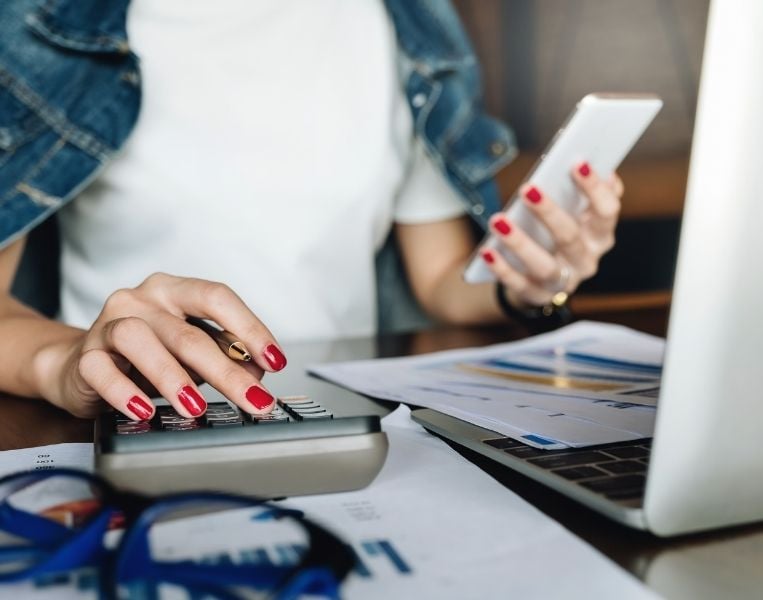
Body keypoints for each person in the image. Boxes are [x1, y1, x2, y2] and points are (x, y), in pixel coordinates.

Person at [0, 0, 623, 423]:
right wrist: (69, 362)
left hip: (347, 421)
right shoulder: (38, 25)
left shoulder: (410, 21)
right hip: (133, 420)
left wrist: (527, 278)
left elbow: (439, 282)